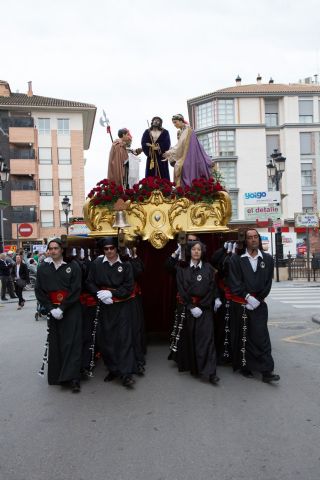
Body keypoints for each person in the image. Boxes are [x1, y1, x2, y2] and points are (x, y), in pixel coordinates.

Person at [229, 229, 280, 383]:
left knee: (261, 337)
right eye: (249, 237)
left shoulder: (268, 259)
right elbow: (234, 282)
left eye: (255, 237)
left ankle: (266, 371)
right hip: (242, 304)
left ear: (259, 239)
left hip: (259, 304)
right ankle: (246, 367)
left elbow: (268, 283)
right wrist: (247, 297)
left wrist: (259, 298)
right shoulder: (236, 259)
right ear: (245, 241)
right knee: (245, 337)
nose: (253, 240)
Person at [86, 237, 138, 388]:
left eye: (112, 248)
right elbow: (89, 282)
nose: (109, 251)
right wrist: (99, 294)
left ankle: (126, 374)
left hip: (122, 307)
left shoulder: (126, 265)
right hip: (105, 307)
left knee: (124, 339)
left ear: (116, 249)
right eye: (106, 249)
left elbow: (129, 287)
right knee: (107, 339)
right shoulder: (96, 264)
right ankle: (113, 369)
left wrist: (113, 294)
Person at [35, 238, 82, 393]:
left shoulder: (72, 266)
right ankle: (57, 376)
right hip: (52, 311)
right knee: (56, 343)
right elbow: (39, 291)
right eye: (51, 248)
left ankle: (73, 378)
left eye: (56, 248)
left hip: (71, 309)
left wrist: (63, 308)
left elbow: (76, 289)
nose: (53, 251)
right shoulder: (43, 268)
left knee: (72, 343)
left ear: (62, 250)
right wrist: (50, 308)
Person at [169, 240, 220, 385]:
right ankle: (195, 368)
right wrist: (191, 306)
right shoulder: (182, 269)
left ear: (202, 252)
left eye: (199, 249)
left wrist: (202, 306)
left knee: (207, 340)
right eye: (193, 249)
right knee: (192, 339)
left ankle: (210, 372)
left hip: (205, 310)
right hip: (189, 309)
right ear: (189, 252)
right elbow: (181, 290)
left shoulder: (209, 268)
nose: (196, 252)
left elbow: (211, 289)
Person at [163, 114, 212, 187]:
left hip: (190, 155)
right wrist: (171, 151)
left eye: (175, 122)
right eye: (173, 123)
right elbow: (179, 144)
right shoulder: (182, 130)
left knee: (179, 166)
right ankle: (182, 190)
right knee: (178, 165)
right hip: (186, 154)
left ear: (181, 121)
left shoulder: (187, 130)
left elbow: (181, 145)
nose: (174, 124)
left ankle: (186, 188)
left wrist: (170, 152)